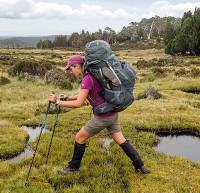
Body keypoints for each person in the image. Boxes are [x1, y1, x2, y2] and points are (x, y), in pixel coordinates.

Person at [48, 54, 150, 175]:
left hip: (102, 117)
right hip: (112, 113)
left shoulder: (87, 78)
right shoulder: (93, 75)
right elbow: (84, 95)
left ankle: (73, 168)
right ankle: (140, 166)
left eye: (70, 68)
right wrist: (68, 98)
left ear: (77, 66)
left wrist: (57, 102)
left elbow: (79, 103)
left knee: (79, 137)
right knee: (120, 139)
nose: (70, 72)